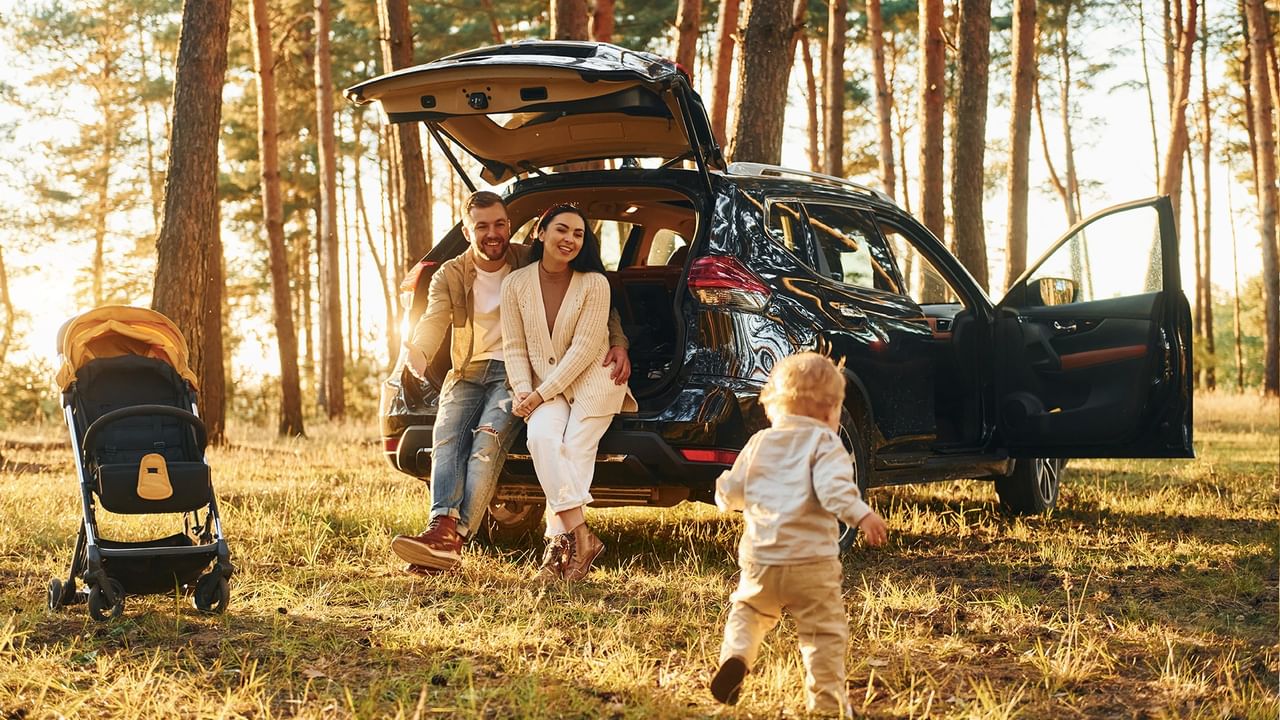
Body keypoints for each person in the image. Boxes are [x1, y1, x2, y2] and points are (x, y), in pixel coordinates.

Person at [392, 191, 630, 575]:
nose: (493, 233)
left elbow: (598, 304)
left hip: (521, 373)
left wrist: (618, 342)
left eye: (500, 224)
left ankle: (456, 539)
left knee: (487, 442)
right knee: (447, 438)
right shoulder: (451, 274)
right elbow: (432, 321)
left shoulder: (530, 256)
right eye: (482, 226)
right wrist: (417, 353)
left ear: (511, 226)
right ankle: (442, 528)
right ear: (467, 231)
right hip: (469, 370)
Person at [709, 352, 889, 716]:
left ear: (774, 407)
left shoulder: (760, 441)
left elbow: (733, 489)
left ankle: (737, 656)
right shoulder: (825, 442)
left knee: (747, 612)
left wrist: (724, 494)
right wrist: (862, 514)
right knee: (822, 634)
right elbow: (835, 489)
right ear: (830, 412)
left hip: (762, 560)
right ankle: (827, 704)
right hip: (812, 564)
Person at [499, 204, 637, 582]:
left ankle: (555, 550)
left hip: (596, 379)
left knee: (574, 449)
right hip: (546, 386)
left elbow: (585, 347)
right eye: (562, 230)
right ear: (540, 233)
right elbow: (514, 346)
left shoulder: (595, 283)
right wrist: (524, 391)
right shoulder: (514, 284)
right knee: (541, 439)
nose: (570, 239)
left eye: (579, 234)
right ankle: (581, 536)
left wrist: (539, 395)